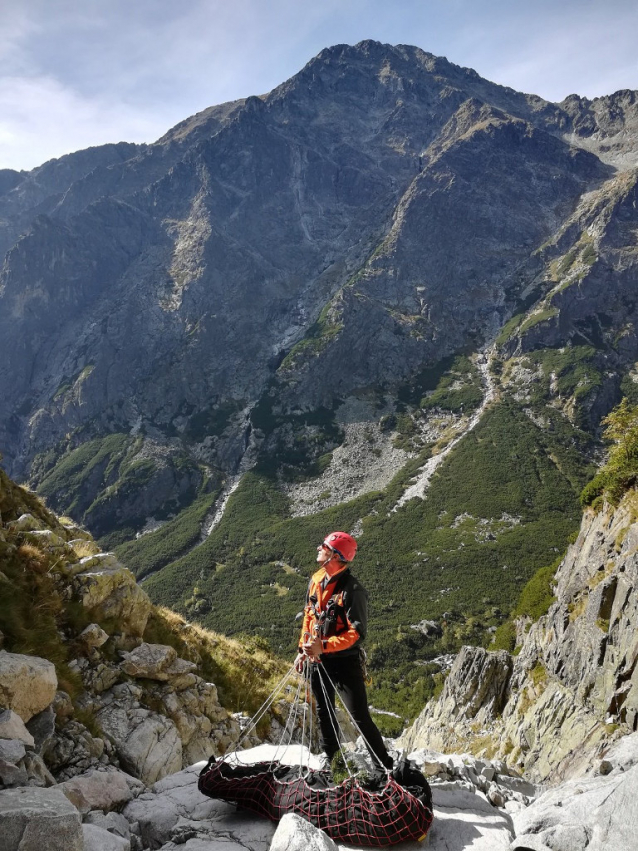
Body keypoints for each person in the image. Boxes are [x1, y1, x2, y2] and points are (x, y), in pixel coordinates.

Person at [295, 531, 393, 773]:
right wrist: (302, 649)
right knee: (324, 710)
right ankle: (335, 762)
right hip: (318, 659)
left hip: (344, 661)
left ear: (335, 556)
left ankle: (384, 767)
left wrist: (324, 646)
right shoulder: (317, 579)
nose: (319, 548)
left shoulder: (353, 590)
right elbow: (310, 614)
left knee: (358, 716)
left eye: (324, 546)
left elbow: (357, 633)